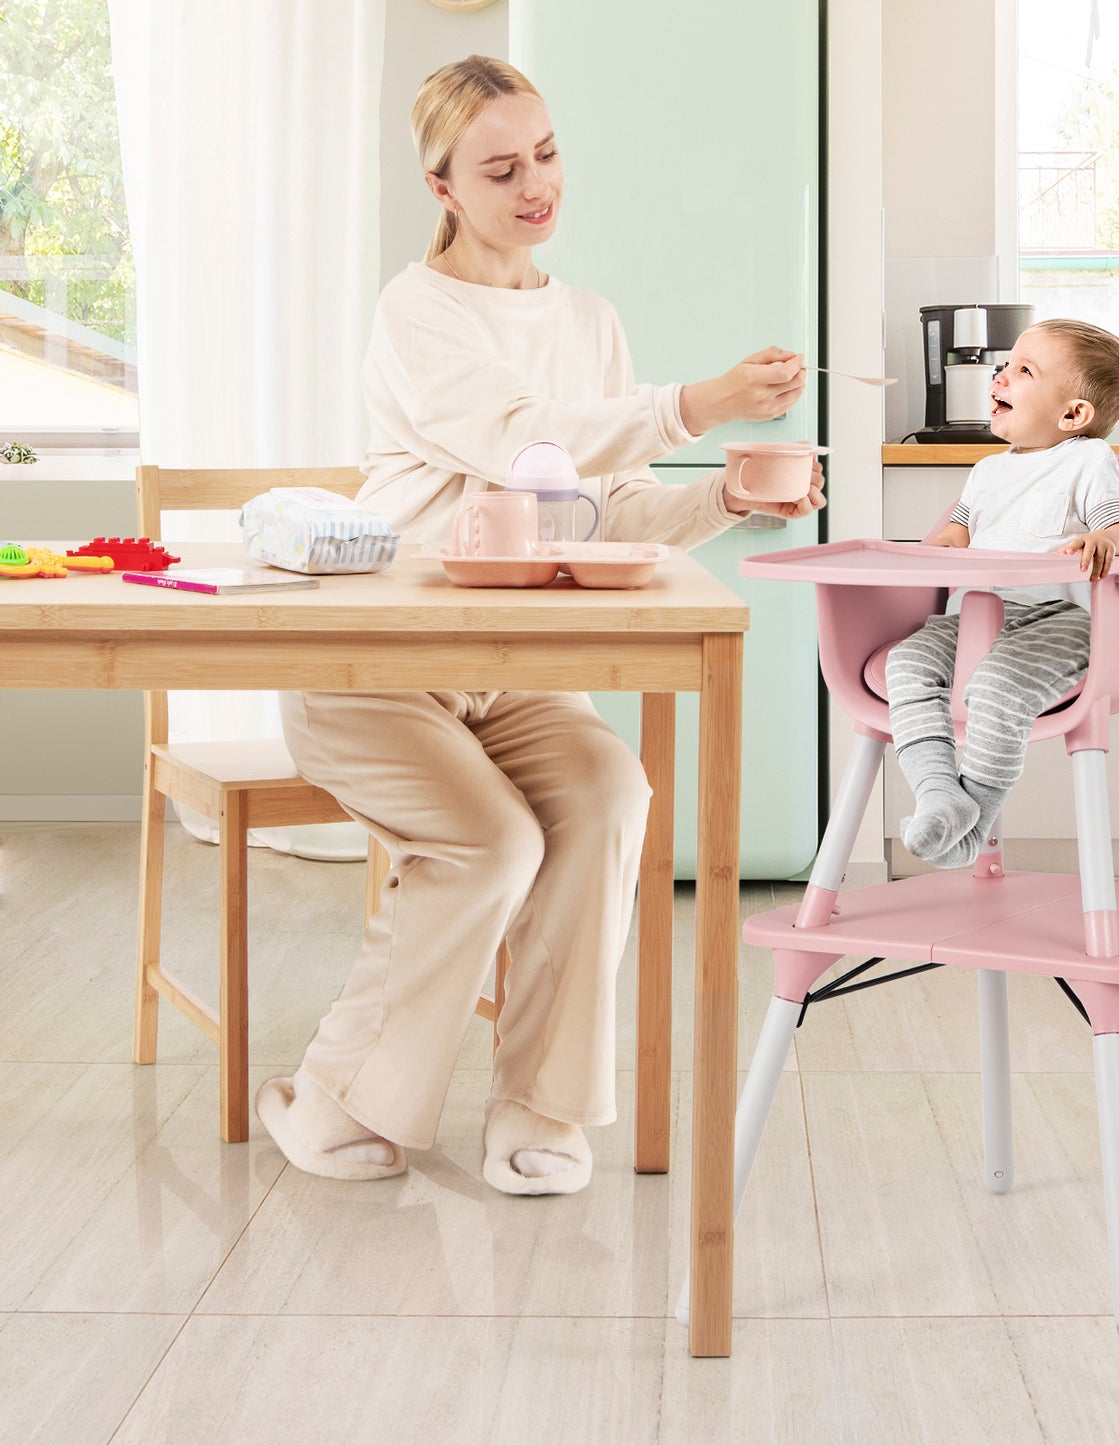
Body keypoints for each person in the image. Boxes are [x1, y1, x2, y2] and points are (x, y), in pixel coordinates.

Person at [256, 55, 824, 1196]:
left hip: (510, 669)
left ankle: (540, 1102)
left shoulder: (589, 320)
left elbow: (603, 506)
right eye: (501, 167)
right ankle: (331, 1091)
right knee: (493, 841)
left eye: (547, 154)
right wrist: (700, 402)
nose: (535, 185)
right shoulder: (414, 310)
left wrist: (727, 493)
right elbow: (525, 440)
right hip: (378, 664)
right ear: (443, 187)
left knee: (614, 794)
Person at [885, 318, 1119, 870]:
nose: (1000, 375)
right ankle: (939, 793)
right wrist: (925, 553)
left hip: (1054, 619)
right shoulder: (985, 471)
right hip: (973, 618)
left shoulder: (1087, 460)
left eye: (1024, 371)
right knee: (903, 663)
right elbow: (954, 535)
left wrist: (1102, 538)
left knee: (998, 685)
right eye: (1007, 365)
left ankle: (973, 823)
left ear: (1073, 415)